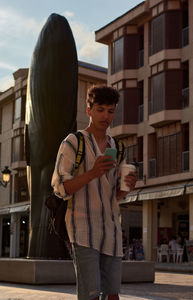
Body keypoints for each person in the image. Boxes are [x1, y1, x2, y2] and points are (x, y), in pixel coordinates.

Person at [51, 85, 137, 300]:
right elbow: (60, 188)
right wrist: (92, 173)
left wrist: (126, 187)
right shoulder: (73, 142)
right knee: (90, 294)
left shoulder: (117, 147)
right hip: (83, 230)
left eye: (110, 110)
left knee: (113, 295)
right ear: (88, 110)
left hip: (112, 231)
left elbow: (115, 196)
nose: (105, 116)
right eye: (100, 109)